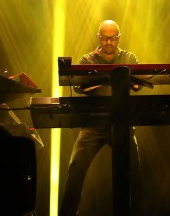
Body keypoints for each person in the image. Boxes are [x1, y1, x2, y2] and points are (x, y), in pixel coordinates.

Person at [59, 20, 142, 215]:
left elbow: (139, 84)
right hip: (93, 123)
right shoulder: (88, 60)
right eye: (105, 38)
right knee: (75, 169)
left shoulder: (129, 57)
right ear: (99, 38)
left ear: (118, 38)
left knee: (134, 173)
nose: (109, 42)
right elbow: (80, 87)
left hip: (122, 122)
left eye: (113, 38)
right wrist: (114, 79)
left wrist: (99, 80)